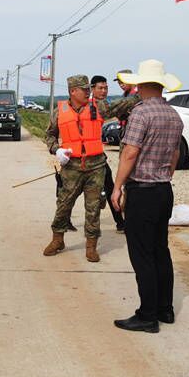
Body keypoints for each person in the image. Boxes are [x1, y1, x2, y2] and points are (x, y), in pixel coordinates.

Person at [110, 60, 183, 334]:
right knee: (160, 250)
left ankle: (147, 315)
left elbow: (130, 152)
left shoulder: (141, 113)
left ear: (139, 85)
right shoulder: (173, 115)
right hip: (164, 189)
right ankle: (165, 308)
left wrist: (117, 187)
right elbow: (175, 154)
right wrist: (166, 174)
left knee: (142, 254)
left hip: (143, 190)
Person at [42, 75, 106, 263]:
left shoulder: (98, 107)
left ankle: (91, 247)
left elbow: (123, 106)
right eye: (84, 89)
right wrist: (57, 150)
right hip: (71, 167)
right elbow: (49, 135)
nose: (88, 92)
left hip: (96, 166)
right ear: (73, 91)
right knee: (63, 204)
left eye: (89, 89)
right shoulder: (59, 112)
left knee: (93, 208)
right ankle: (58, 240)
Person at [90, 75, 125, 232]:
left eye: (106, 88)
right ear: (92, 89)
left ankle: (120, 223)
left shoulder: (102, 104)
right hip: (80, 156)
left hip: (98, 156)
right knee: (71, 191)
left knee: (110, 187)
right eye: (100, 88)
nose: (103, 91)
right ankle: (64, 220)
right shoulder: (86, 105)